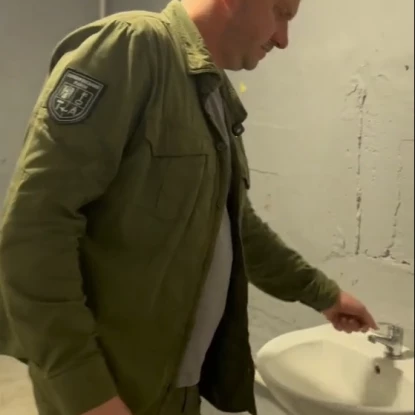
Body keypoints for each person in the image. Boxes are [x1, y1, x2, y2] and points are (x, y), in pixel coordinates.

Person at [0, 0, 378, 414]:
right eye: (281, 12)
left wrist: (323, 293)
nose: (283, 39)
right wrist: (84, 389)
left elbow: (234, 224)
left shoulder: (210, 90)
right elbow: (34, 231)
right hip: (111, 390)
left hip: (174, 386)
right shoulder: (131, 48)